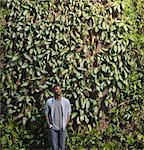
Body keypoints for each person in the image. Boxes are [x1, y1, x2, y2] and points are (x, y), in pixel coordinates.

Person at [45, 84, 71, 150]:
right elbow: (46, 114)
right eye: (56, 89)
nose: (58, 90)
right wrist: (49, 125)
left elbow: (68, 114)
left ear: (61, 90)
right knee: (54, 147)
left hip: (63, 128)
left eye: (59, 89)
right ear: (53, 91)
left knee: (62, 147)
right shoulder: (49, 102)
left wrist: (66, 124)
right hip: (53, 128)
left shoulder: (66, 101)